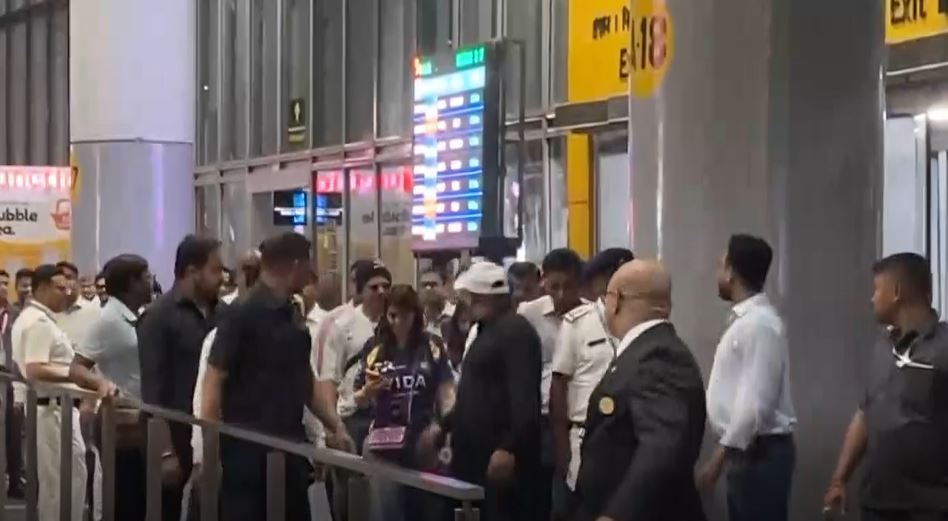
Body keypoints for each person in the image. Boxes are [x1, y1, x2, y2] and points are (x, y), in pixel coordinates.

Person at [201, 232, 353, 521]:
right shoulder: (241, 313)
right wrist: (211, 456)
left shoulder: (292, 315)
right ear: (296, 265)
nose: (311, 272)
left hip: (289, 450)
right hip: (245, 458)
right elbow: (213, 383)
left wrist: (335, 425)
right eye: (308, 264)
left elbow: (306, 383)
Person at [574, 259, 706, 521]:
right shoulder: (645, 350)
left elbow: (661, 446)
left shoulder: (658, 356)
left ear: (615, 301)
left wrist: (616, 515)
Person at [822, 253, 948, 521]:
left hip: (929, 508)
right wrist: (839, 479)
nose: (872, 298)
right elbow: (865, 413)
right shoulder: (882, 347)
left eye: (877, 289)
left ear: (897, 292)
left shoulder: (944, 349)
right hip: (876, 504)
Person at [421, 261, 543, 521]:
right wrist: (444, 425)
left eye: (469, 298)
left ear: (484, 297)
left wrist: (509, 448)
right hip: (474, 457)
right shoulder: (486, 332)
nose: (464, 305)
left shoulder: (515, 332)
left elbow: (524, 398)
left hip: (498, 459)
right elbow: (474, 394)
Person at [696, 234, 796, 521]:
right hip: (748, 451)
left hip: (757, 455)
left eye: (720, 266)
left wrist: (717, 461)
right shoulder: (749, 322)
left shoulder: (758, 326)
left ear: (731, 272)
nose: (717, 274)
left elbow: (754, 407)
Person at [138, 235, 224, 521]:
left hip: (210, 436)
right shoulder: (158, 317)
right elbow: (153, 389)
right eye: (215, 270)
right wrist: (165, 452)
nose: (222, 278)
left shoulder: (223, 314)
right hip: (172, 434)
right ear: (192, 271)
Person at [354, 285, 456, 521]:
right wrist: (368, 392)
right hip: (383, 443)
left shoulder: (431, 346)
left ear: (415, 314)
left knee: (426, 510)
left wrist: (442, 426)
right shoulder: (375, 348)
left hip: (423, 440)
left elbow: (446, 390)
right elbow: (357, 399)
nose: (399, 322)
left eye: (406, 315)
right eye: (393, 315)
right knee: (387, 510)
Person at [549, 248, 634, 519]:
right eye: (610, 278)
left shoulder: (639, 322)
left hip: (628, 437)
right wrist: (562, 447)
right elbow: (559, 385)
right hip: (583, 437)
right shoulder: (577, 322)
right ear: (597, 282)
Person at [69, 254, 151, 521]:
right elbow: (77, 368)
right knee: (125, 497)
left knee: (141, 497)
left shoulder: (138, 316)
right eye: (146, 277)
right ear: (132, 283)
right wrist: (101, 383)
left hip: (142, 420)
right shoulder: (107, 320)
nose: (151, 282)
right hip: (121, 423)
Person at [10, 265, 88, 521]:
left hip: (55, 409)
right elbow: (35, 368)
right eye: (60, 288)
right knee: (60, 483)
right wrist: (74, 374)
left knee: (64, 479)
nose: (67, 293)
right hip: (52, 410)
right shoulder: (38, 323)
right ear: (42, 288)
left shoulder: (35, 318)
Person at [515, 248, 586, 521]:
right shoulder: (528, 314)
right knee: (539, 490)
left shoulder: (592, 315)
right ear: (543, 282)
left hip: (575, 416)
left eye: (568, 286)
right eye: (554, 286)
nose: (561, 294)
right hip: (541, 416)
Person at [2, 268, 27, 498]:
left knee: (13, 433)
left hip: (9, 380)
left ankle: (15, 481)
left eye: (5, 283)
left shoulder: (16, 314)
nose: (2, 287)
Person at [419, 268, 454, 338]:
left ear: (444, 287)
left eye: (433, 285)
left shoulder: (455, 315)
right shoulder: (413, 317)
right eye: (424, 285)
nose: (428, 288)